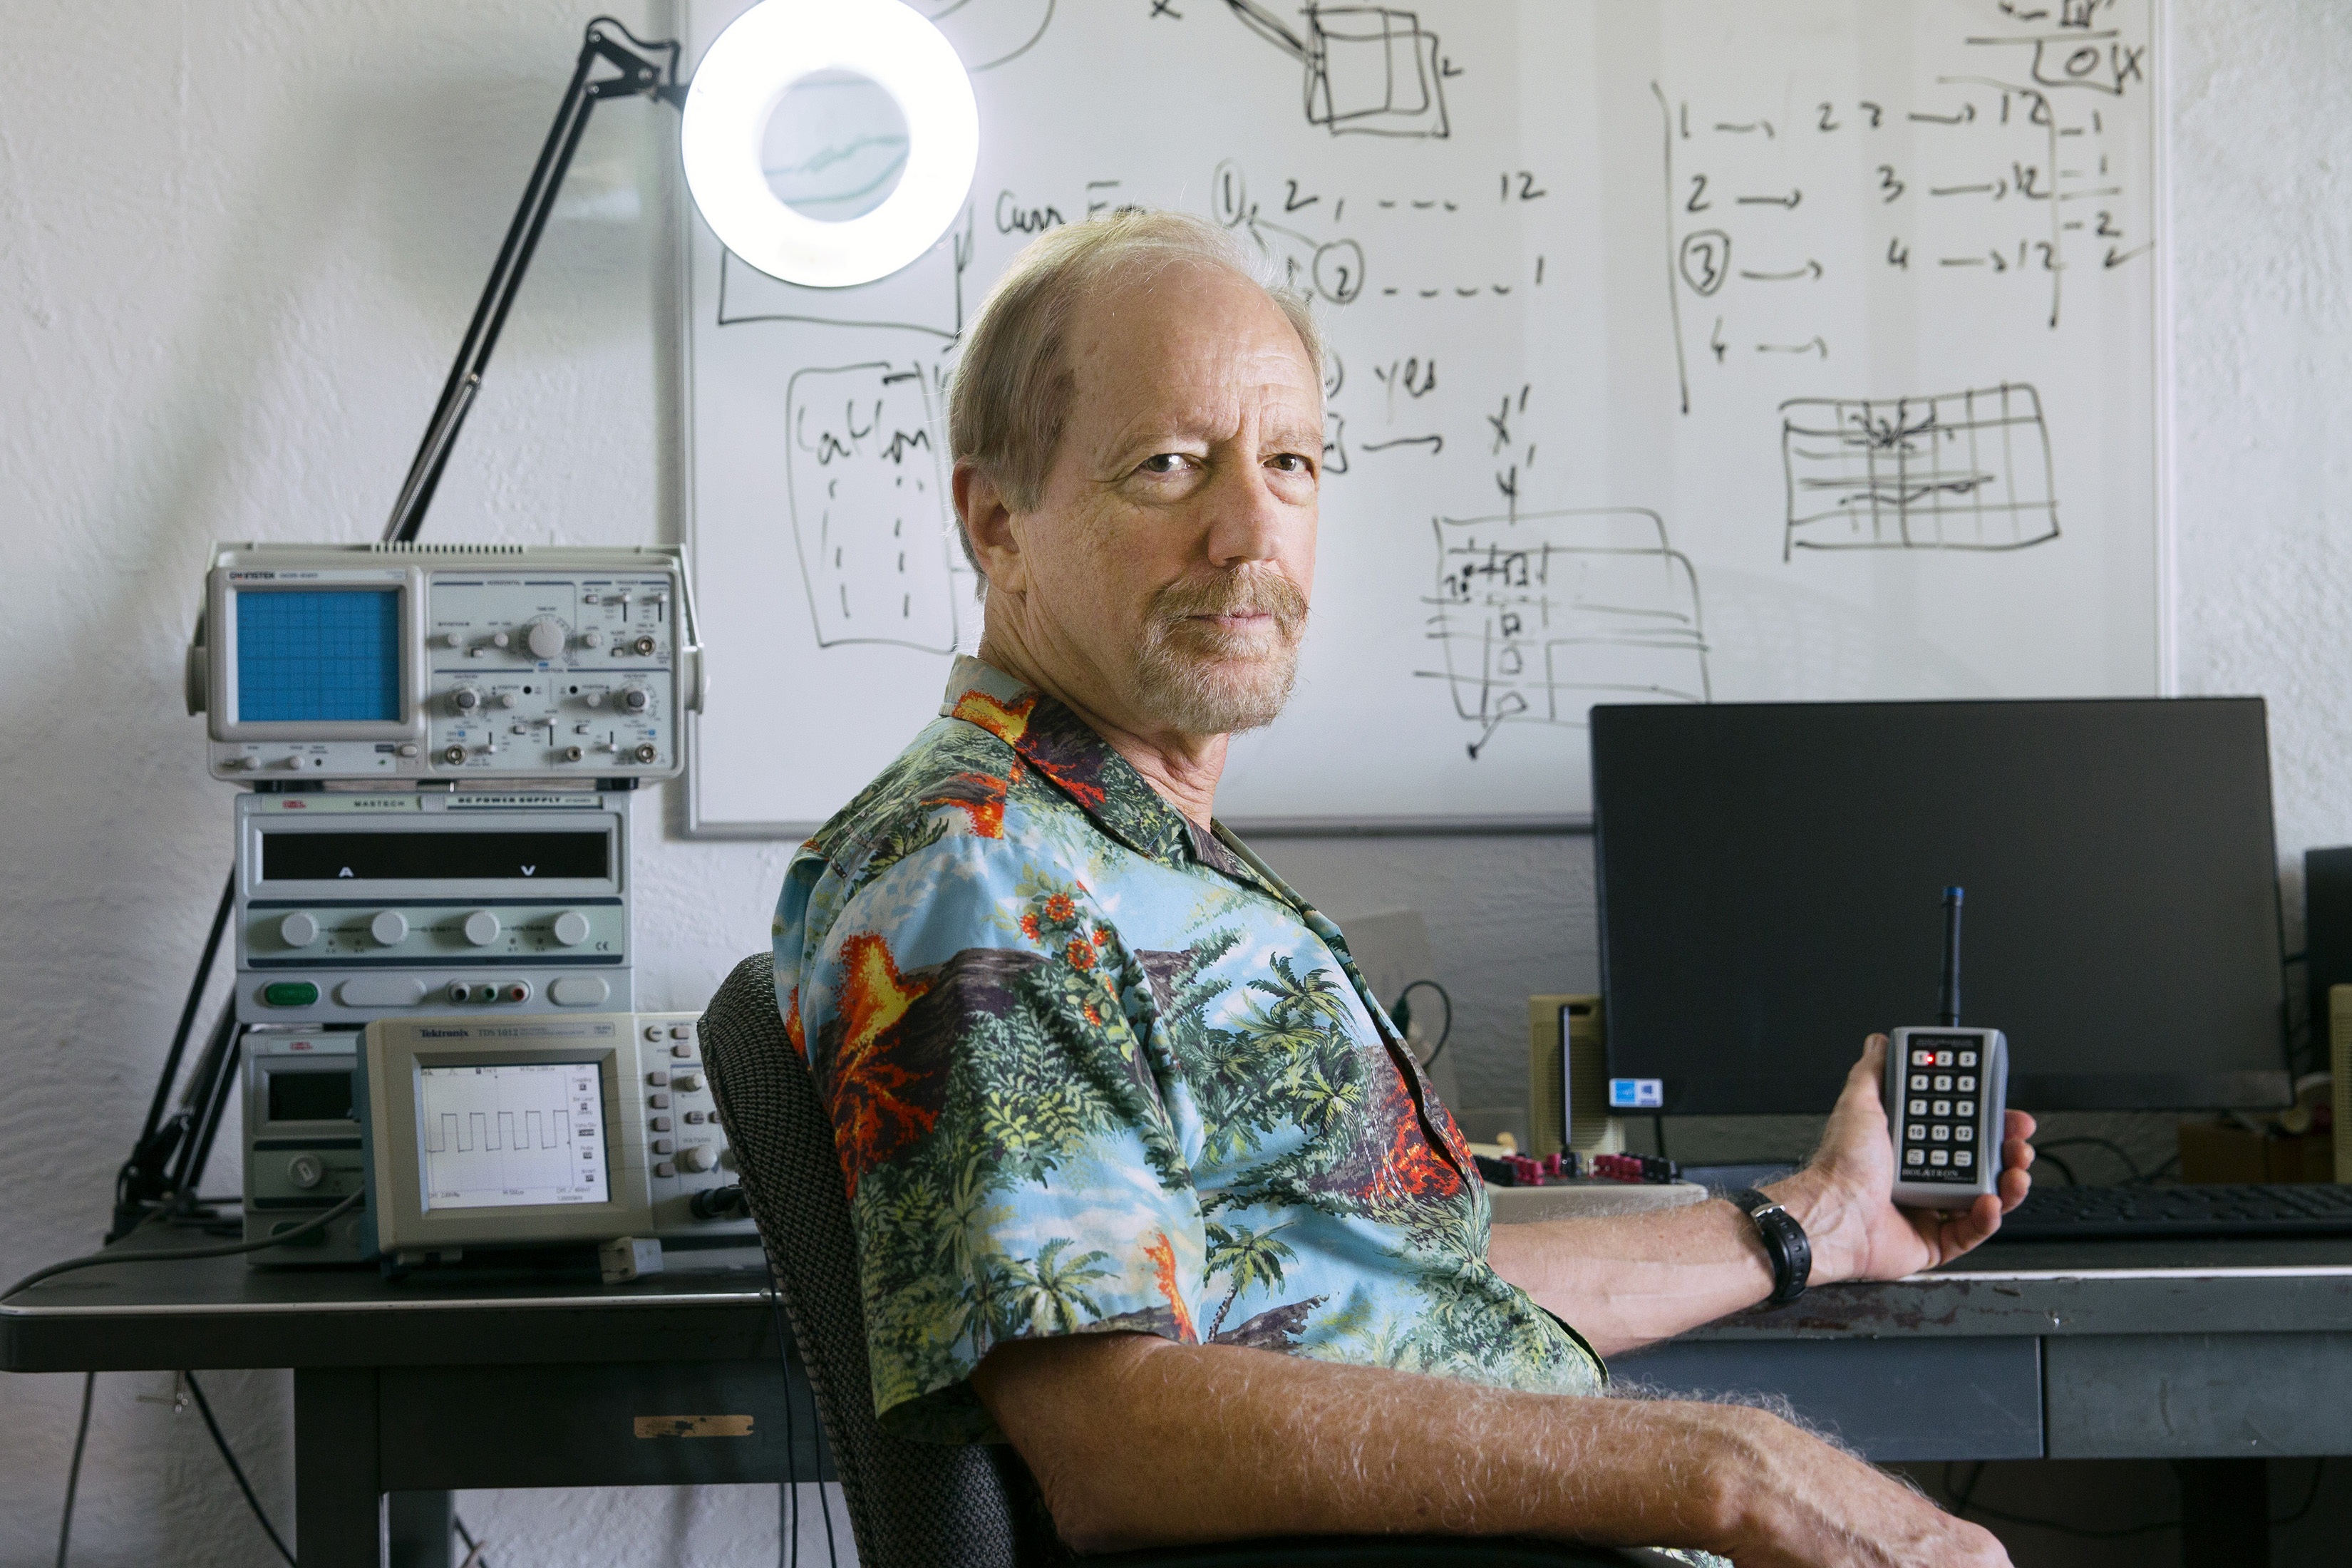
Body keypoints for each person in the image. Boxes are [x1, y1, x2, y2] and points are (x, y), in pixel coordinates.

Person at [769, 210, 2036, 1566]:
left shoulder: (1138, 853)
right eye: (1168, 467)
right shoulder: (984, 876)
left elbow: (1394, 1287)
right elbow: (1113, 1436)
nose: (1251, 529)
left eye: (1293, 462)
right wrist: (1727, 1472)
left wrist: (1816, 1222)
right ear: (997, 522)